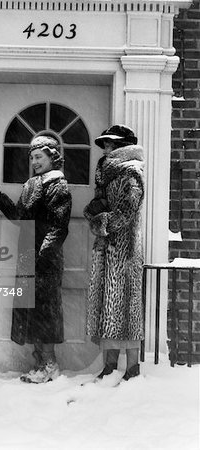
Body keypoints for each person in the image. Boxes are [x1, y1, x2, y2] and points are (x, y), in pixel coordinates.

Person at [0, 135, 72, 383]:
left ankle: (50, 365)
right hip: (27, 256)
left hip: (45, 259)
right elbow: (19, 217)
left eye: (39, 157)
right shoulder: (32, 184)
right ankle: (38, 363)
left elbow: (59, 227)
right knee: (30, 311)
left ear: (52, 157)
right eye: (32, 157)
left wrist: (43, 255)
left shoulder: (58, 186)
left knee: (45, 312)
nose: (34, 161)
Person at [84, 125, 145, 381]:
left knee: (128, 309)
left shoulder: (131, 174)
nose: (106, 148)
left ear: (121, 146)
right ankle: (109, 367)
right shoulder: (106, 174)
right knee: (108, 308)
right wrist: (94, 213)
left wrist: (102, 222)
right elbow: (98, 205)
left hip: (126, 251)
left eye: (110, 144)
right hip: (108, 249)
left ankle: (132, 369)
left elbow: (127, 213)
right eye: (105, 144)